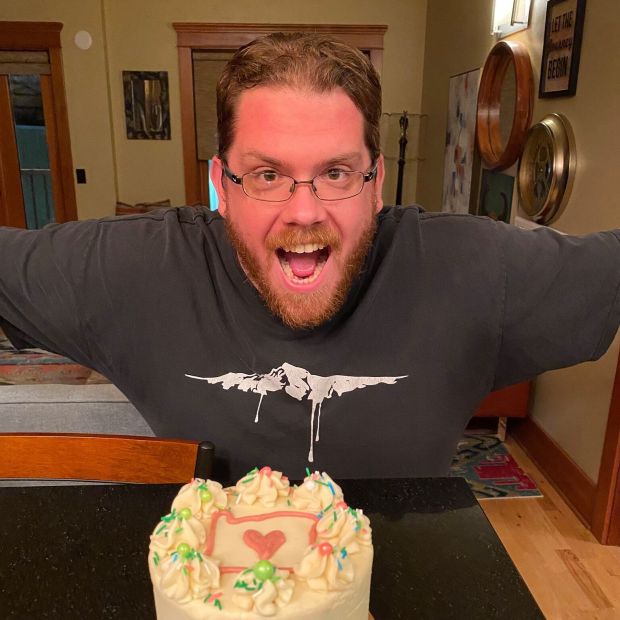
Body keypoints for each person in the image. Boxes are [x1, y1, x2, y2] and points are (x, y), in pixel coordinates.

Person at [0, 33, 618, 481]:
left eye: (337, 173)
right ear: (221, 185)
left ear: (377, 183)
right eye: (267, 174)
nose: (304, 211)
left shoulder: (473, 270)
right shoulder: (134, 271)